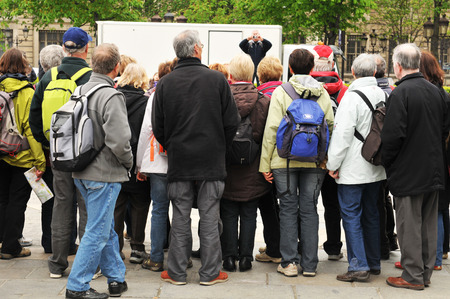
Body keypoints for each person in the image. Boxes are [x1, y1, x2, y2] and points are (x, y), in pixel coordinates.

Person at [152, 29, 240, 285]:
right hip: (211, 160)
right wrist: (219, 145)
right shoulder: (217, 80)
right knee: (210, 217)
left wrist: (171, 144)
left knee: (180, 217)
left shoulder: (166, 83)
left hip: (180, 160)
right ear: (197, 50)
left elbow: (158, 125)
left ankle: (177, 273)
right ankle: (210, 273)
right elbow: (231, 121)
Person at [65, 43, 132, 299]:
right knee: (97, 231)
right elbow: (119, 140)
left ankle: (116, 278)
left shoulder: (80, 89)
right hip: (104, 173)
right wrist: (128, 162)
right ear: (117, 67)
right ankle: (77, 286)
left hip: (81, 169)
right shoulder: (111, 95)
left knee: (104, 227)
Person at [259, 48, 334, 277]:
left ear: (290, 68)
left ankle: (289, 263)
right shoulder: (322, 93)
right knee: (310, 210)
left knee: (288, 210)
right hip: (315, 162)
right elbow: (330, 126)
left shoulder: (282, 92)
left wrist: (264, 164)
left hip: (284, 162)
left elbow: (272, 129)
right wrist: (327, 159)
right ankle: (310, 265)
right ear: (312, 68)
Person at [382, 43, 450, 290]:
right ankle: (424, 273)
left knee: (409, 224)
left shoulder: (401, 93)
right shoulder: (437, 92)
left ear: (397, 66)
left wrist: (387, 162)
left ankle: (412, 276)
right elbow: (444, 130)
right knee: (428, 224)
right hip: (433, 168)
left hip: (409, 170)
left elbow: (392, 137)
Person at [29, 27, 91, 279]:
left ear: (64, 47)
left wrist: (48, 144)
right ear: (86, 48)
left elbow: (34, 116)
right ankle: (87, 264)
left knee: (62, 205)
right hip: (86, 154)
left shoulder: (47, 76)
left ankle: (56, 263)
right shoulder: (90, 76)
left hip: (58, 153)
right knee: (87, 206)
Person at [326, 53, 386, 282]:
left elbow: (342, 135)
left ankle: (358, 265)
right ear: (373, 72)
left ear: (352, 72)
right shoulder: (382, 93)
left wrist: (332, 164)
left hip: (353, 167)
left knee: (351, 215)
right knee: (371, 213)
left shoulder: (351, 97)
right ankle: (373, 262)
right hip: (375, 164)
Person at [220, 53, 271, 272]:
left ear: (230, 74)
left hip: (226, 167)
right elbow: (269, 137)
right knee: (250, 213)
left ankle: (229, 257)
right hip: (253, 167)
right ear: (252, 74)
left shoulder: (221, 98)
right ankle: (246, 258)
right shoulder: (263, 101)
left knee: (228, 212)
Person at [0, 48, 45, 260]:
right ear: (24, 66)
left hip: (0, 155)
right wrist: (40, 161)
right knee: (17, 202)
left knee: (2, 200)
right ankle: (10, 247)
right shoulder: (28, 92)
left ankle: (2, 240)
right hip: (22, 157)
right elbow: (31, 130)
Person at [310, 44, 348, 261]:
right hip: (334, 157)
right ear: (333, 65)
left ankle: (305, 244)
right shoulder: (343, 90)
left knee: (307, 204)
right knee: (333, 205)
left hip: (309, 154)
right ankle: (334, 247)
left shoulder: (305, 87)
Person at [113, 63, 151, 264]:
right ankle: (137, 248)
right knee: (140, 204)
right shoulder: (146, 103)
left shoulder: (113, 99)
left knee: (117, 206)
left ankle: (116, 248)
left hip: (116, 160)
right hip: (138, 161)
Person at [35, 44, 69, 254]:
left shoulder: (39, 85)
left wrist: (44, 144)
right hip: (66, 151)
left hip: (45, 152)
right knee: (67, 200)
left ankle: (49, 242)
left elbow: (34, 122)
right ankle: (65, 242)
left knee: (48, 200)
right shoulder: (69, 83)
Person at [253, 56, 283, 264]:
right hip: (288, 157)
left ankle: (274, 247)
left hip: (266, 159)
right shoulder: (288, 92)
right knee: (286, 205)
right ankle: (282, 243)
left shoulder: (260, 96)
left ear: (260, 75)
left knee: (267, 203)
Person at [373, 54, 398, 260]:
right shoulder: (392, 91)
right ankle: (390, 238)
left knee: (378, 199)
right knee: (386, 198)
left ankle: (381, 242)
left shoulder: (371, 92)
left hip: (375, 152)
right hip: (392, 153)